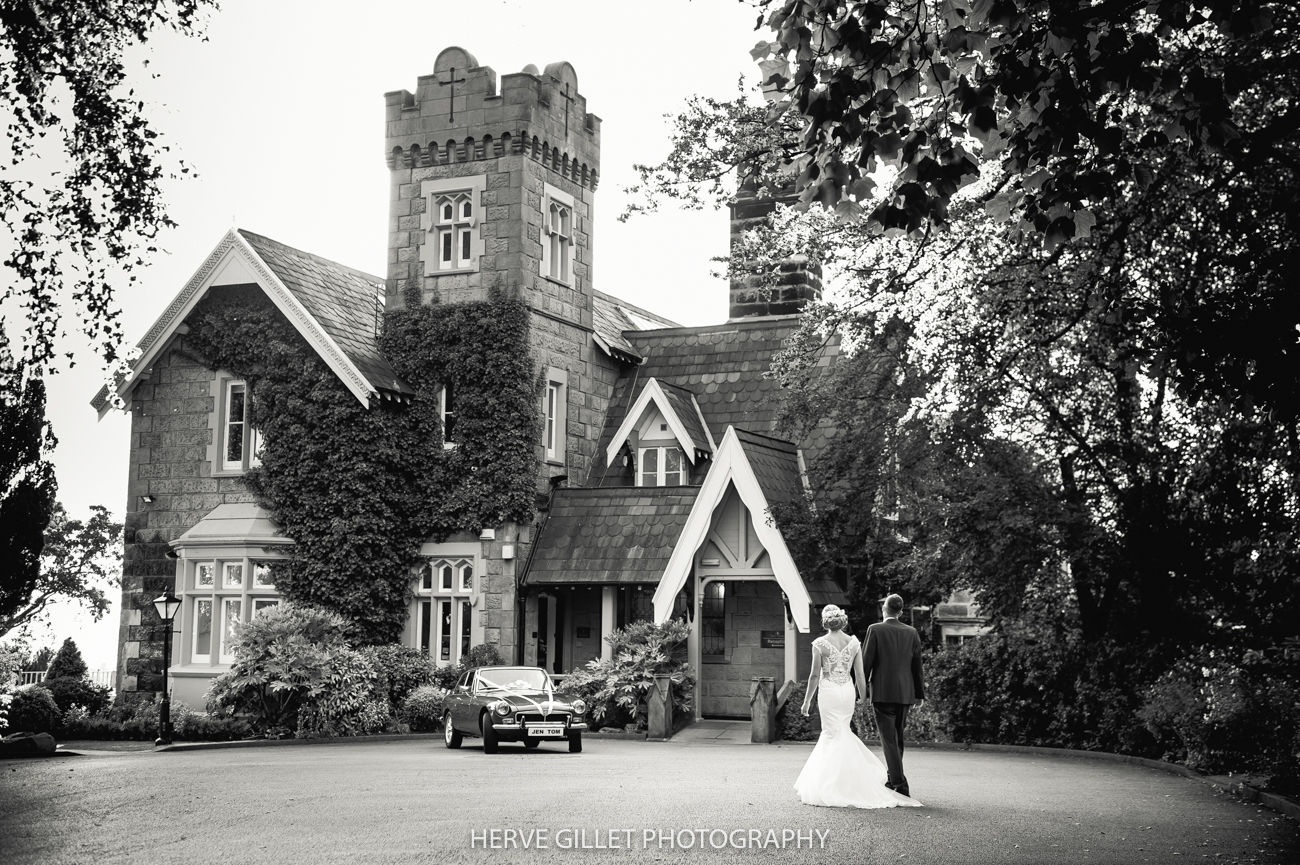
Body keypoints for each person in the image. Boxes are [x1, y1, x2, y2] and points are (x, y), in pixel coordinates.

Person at [794, 604, 921, 809]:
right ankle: (851, 783)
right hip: (847, 692)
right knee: (844, 731)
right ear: (842, 621)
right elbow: (860, 674)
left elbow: (815, 675)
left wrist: (807, 700)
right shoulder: (853, 643)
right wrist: (863, 696)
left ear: (826, 621)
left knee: (830, 733)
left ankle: (829, 785)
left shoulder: (819, 643)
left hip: (829, 692)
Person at [861, 593, 926, 797]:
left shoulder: (875, 629)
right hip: (905, 693)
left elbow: (866, 663)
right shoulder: (912, 632)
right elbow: (917, 666)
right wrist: (919, 693)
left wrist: (860, 692)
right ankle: (893, 779)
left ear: (884, 609)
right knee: (897, 739)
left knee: (889, 740)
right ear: (900, 611)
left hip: (882, 692)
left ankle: (899, 784)